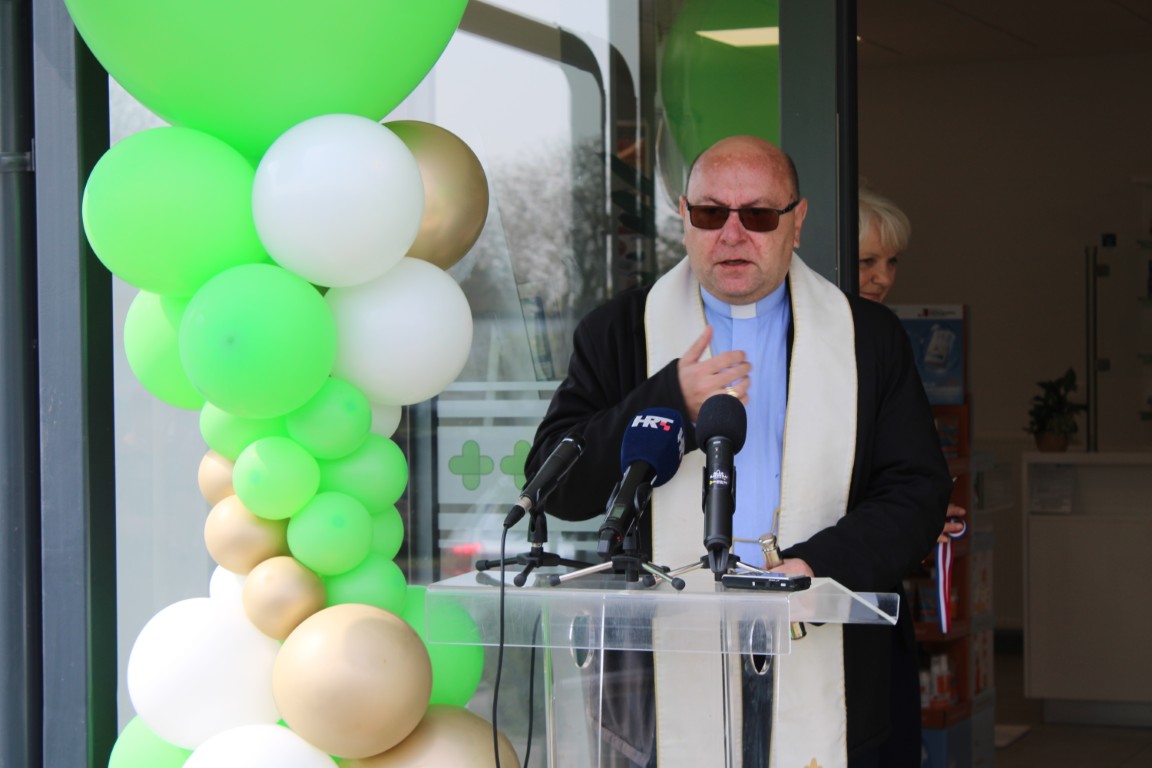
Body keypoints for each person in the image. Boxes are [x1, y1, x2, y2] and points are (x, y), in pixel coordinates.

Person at [525, 135, 951, 768]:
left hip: (826, 640)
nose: (732, 233)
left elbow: (916, 488)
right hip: (659, 665)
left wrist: (817, 567)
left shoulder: (867, 336)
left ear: (797, 222)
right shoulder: (619, 332)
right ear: (684, 217)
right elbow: (554, 486)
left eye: (757, 215)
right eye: (710, 213)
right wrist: (666, 396)